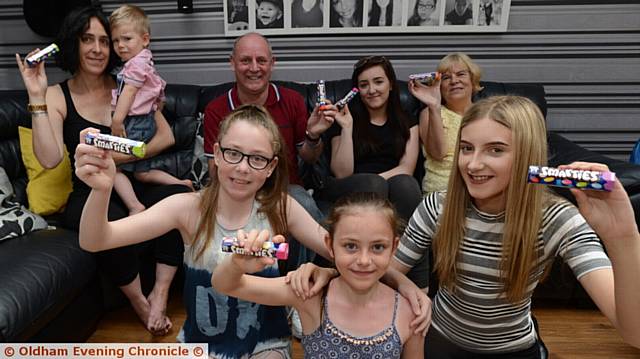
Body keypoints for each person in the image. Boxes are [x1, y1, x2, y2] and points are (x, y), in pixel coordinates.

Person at [289, 96, 640, 356]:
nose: (473, 164)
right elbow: (385, 270)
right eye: (467, 148)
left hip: (515, 349)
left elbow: (633, 332)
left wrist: (622, 237)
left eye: (496, 150)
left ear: (529, 155)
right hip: (440, 341)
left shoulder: (558, 219)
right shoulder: (439, 206)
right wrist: (333, 275)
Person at [75, 105, 429, 357]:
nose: (243, 169)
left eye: (257, 159)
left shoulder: (280, 208)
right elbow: (95, 240)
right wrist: (102, 188)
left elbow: (348, 250)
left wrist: (406, 284)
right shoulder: (185, 208)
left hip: (266, 344)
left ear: (271, 167)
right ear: (215, 154)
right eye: (233, 154)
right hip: (202, 343)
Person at [15, 6, 191, 335]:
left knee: (178, 197)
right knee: (107, 216)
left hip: (129, 180)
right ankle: (141, 303)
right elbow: (50, 159)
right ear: (73, 44)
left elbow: (165, 136)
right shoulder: (57, 94)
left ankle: (161, 294)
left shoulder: (127, 85)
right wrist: (36, 95)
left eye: (104, 41)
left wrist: (119, 158)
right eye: (87, 39)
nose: (97, 49)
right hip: (90, 191)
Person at [212, 192, 424, 358]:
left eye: (378, 247)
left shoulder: (410, 312)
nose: (364, 260)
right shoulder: (310, 293)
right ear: (330, 245)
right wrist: (236, 264)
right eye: (350, 246)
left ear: (394, 247)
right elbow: (225, 285)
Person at [203, 32, 335, 269]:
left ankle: (298, 279)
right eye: (245, 60)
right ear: (232, 62)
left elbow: (308, 156)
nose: (254, 68)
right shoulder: (216, 108)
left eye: (261, 60)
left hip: (285, 188)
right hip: (237, 187)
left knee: (302, 203)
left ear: (272, 63)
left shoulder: (293, 101)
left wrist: (313, 135)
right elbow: (215, 171)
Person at [316, 55, 422, 222]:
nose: (371, 90)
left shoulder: (407, 119)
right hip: (349, 185)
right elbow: (342, 173)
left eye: (378, 82)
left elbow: (406, 168)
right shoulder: (344, 117)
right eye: (364, 85)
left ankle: (404, 245)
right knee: (373, 184)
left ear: (391, 84)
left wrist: (380, 181)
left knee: (406, 184)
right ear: (356, 90)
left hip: (392, 183)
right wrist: (347, 128)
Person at [109, 4, 192, 215]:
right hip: (144, 121)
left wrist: (117, 121)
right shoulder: (144, 62)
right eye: (116, 40)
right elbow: (158, 89)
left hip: (134, 123)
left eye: (127, 39)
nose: (120, 45)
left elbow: (128, 93)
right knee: (142, 174)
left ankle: (134, 205)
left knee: (113, 168)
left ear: (144, 39)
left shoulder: (136, 65)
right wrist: (155, 105)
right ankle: (182, 184)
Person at [409, 52, 482, 194]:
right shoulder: (430, 113)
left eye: (461, 74)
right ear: (440, 86)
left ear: (473, 80)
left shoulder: (488, 113)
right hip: (442, 191)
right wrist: (434, 107)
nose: (454, 81)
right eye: (446, 78)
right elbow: (438, 154)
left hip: (481, 187)